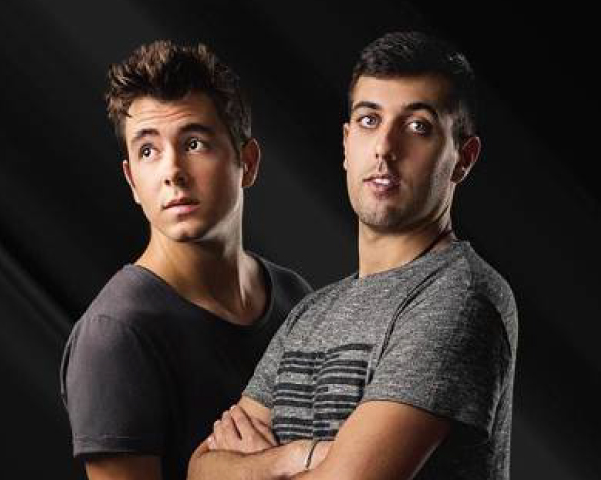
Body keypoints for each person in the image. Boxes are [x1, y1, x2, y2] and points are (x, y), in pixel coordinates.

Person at [188, 31, 518, 480]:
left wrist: (252, 468)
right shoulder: (311, 313)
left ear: (463, 157)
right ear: (346, 143)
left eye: (418, 127)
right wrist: (299, 456)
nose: (385, 148)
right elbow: (200, 469)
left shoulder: (460, 299)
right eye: (369, 120)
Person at [59, 40, 312, 480]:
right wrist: (274, 466)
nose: (172, 171)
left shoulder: (295, 298)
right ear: (132, 181)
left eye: (194, 143)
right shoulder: (116, 335)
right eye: (148, 151)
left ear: (248, 162)